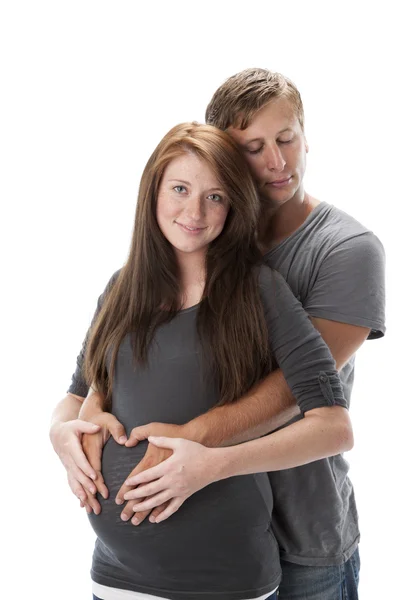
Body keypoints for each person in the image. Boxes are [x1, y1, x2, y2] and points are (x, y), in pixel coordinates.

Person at [52, 68, 386, 600]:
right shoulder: (173, 253)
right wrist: (68, 429)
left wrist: (196, 446)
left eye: (286, 138)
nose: (277, 162)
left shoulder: (337, 253)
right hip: (138, 570)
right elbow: (91, 384)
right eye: (253, 147)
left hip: (301, 535)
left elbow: (296, 394)